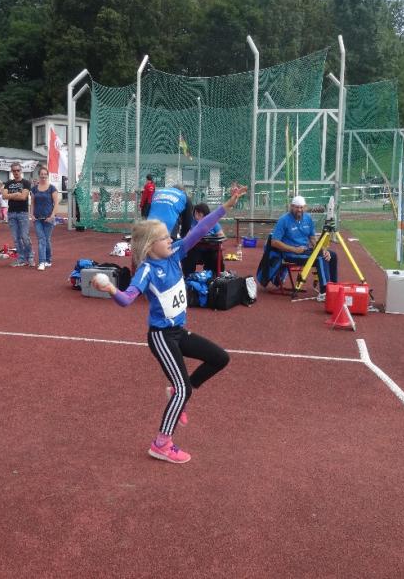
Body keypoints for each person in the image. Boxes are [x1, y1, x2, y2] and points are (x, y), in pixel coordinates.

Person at [90, 184, 248, 464]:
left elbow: (200, 229)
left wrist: (227, 205)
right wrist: (111, 289)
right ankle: (161, 443)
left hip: (178, 331)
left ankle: (179, 391)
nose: (170, 239)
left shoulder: (175, 252)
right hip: (161, 337)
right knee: (183, 387)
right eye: (164, 237)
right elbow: (127, 300)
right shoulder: (146, 270)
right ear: (150, 245)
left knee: (219, 358)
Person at [270, 195, 337, 299]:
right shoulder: (283, 220)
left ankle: (334, 287)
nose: (299, 210)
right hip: (290, 254)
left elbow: (312, 238)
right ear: (291, 207)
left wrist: (322, 250)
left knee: (332, 255)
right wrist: (294, 249)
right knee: (320, 257)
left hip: (305, 251)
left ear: (305, 207)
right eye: (297, 207)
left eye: (301, 207)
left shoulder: (308, 218)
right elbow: (274, 242)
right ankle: (324, 291)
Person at [181, 202, 225, 277]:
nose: (197, 216)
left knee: (216, 255)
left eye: (200, 214)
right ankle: (188, 277)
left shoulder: (212, 221)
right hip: (195, 249)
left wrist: (214, 237)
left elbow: (221, 235)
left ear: (205, 214)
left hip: (210, 249)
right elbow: (186, 236)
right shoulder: (191, 222)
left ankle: (214, 276)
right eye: (196, 213)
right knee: (187, 255)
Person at [2, 162, 32, 267]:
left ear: (21, 171)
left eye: (18, 170)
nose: (16, 172)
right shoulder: (8, 183)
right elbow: (4, 196)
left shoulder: (26, 183)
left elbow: (23, 197)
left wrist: (10, 195)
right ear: (12, 172)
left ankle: (30, 257)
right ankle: (21, 259)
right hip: (11, 213)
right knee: (16, 238)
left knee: (25, 237)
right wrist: (16, 194)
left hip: (23, 213)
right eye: (14, 171)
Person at [31, 165, 60, 271]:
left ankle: (48, 259)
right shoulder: (34, 189)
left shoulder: (52, 188)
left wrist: (52, 216)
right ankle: (42, 262)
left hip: (48, 218)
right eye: (41, 174)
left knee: (46, 239)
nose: (43, 176)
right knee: (41, 239)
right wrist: (32, 214)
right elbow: (32, 203)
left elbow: (56, 203)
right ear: (39, 175)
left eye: (45, 174)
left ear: (47, 175)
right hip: (37, 219)